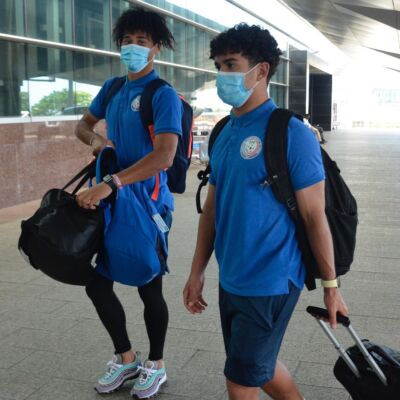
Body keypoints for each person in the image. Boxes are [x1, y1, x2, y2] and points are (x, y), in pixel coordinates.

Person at [183, 23, 348, 400]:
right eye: (219, 66)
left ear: (261, 71)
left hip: (272, 279)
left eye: (231, 64)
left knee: (240, 379)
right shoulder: (223, 132)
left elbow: (314, 216)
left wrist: (331, 288)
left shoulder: (291, 133)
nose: (222, 74)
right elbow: (212, 209)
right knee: (259, 365)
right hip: (232, 275)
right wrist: (197, 271)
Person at [75, 8, 183, 399]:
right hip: (112, 199)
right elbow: (82, 125)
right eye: (127, 40)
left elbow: (165, 156)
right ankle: (126, 358)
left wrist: (112, 183)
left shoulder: (162, 94)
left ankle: (156, 364)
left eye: (141, 41)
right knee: (96, 284)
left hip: (148, 204)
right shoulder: (112, 88)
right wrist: (98, 142)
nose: (132, 47)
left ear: (156, 48)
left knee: (148, 286)